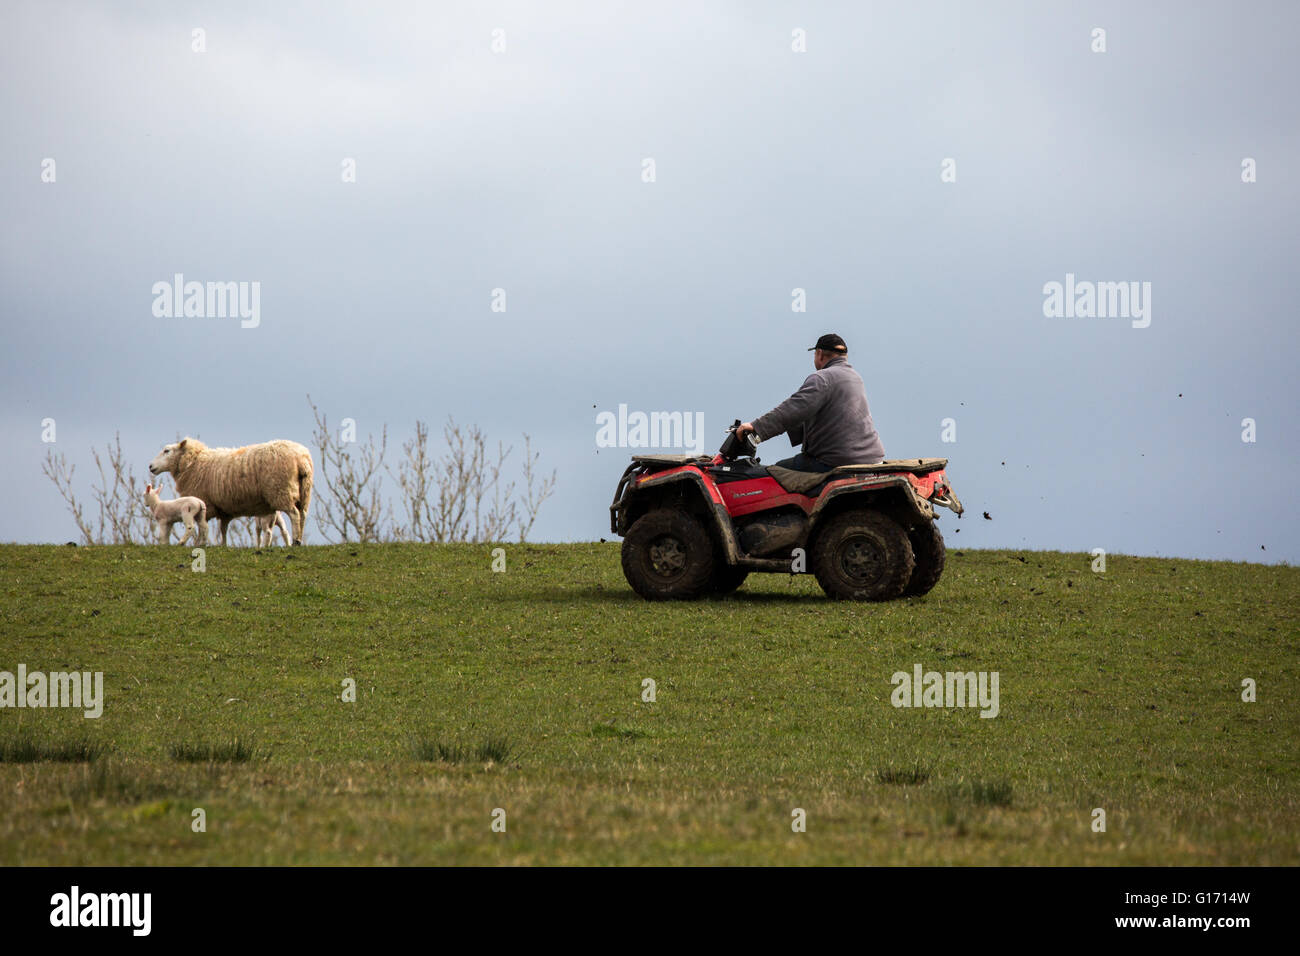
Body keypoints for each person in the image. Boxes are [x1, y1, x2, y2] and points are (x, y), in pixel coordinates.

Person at [736, 333, 885, 472]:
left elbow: (792, 410)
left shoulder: (822, 378)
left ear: (819, 354)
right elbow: (833, 416)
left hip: (838, 460)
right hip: (872, 458)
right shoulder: (854, 377)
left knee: (775, 473)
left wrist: (756, 427)